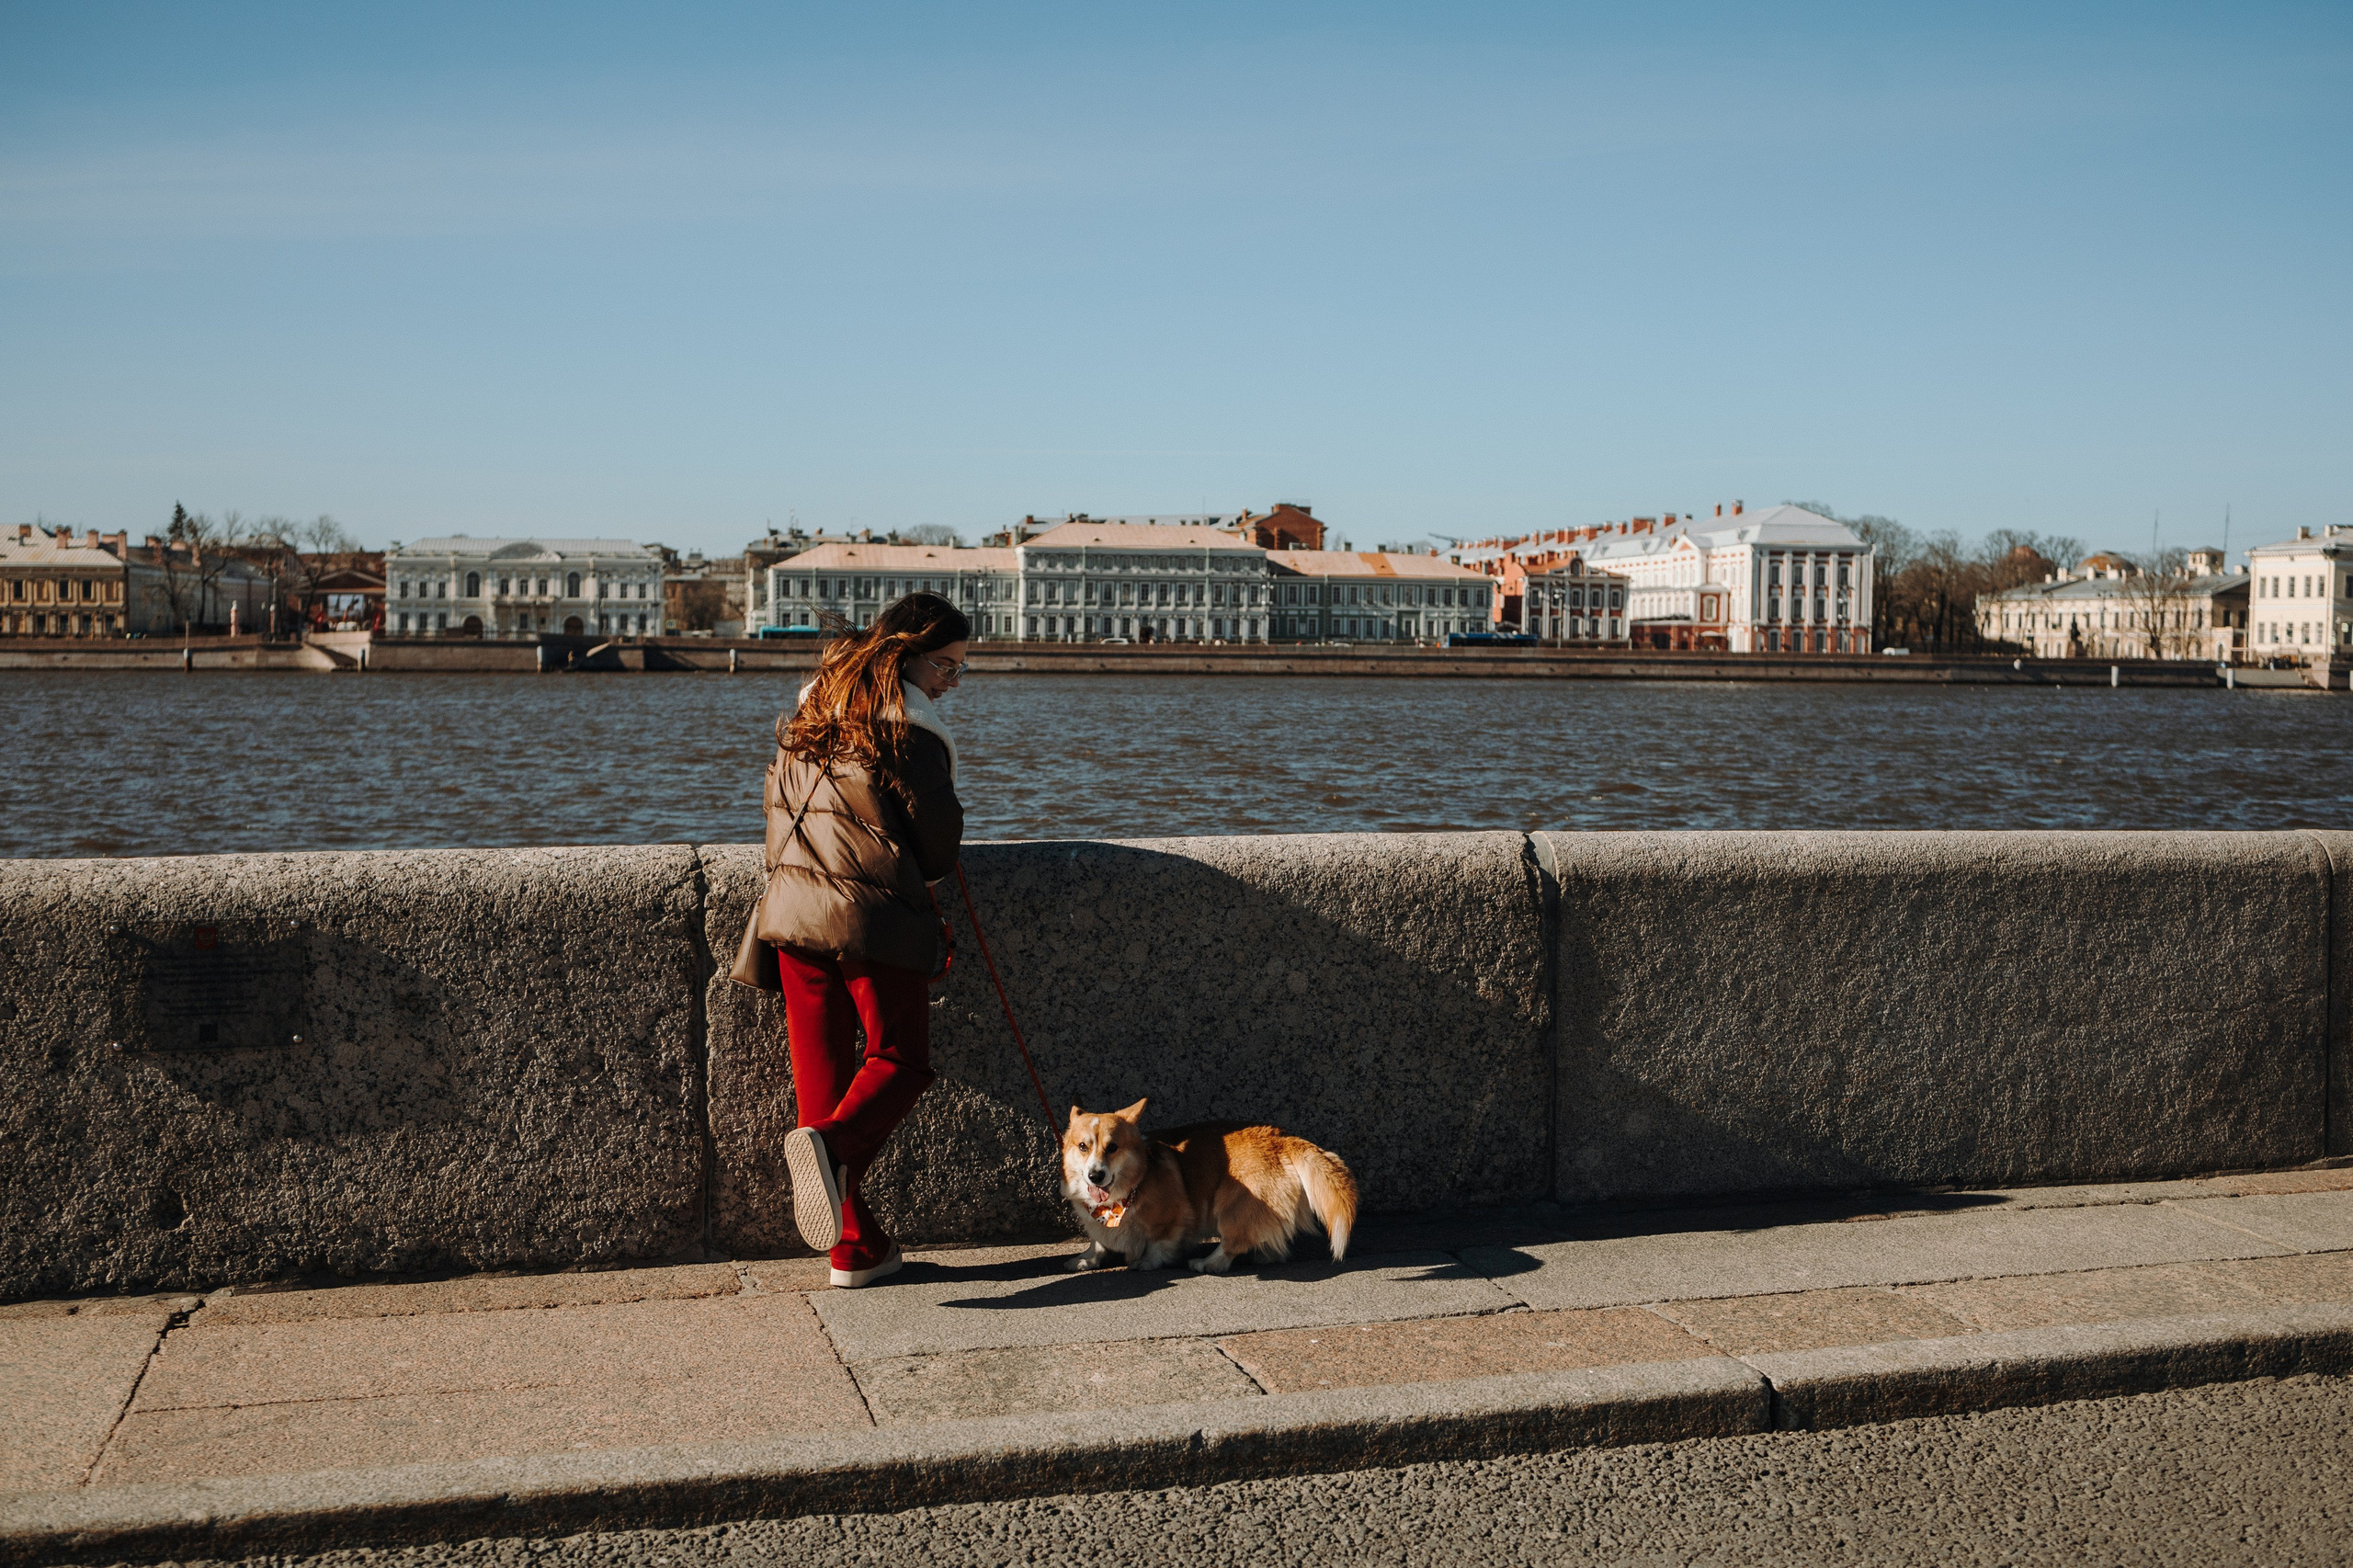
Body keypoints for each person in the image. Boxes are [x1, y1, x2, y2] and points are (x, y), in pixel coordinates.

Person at [729, 593, 968, 1287]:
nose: (950, 683)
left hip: (791, 913)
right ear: (908, 655)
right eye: (946, 667)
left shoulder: (811, 712)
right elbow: (937, 849)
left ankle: (853, 1250)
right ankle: (833, 1153)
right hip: (870, 913)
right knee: (900, 1059)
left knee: (822, 1083)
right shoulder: (909, 730)